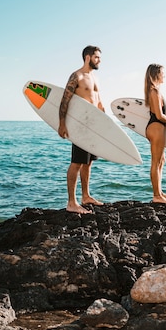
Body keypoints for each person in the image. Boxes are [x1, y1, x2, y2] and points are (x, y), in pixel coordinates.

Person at [58, 46, 105, 214]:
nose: (99, 60)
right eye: (97, 57)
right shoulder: (76, 76)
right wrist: (62, 123)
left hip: (93, 125)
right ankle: (71, 202)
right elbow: (65, 100)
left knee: (88, 161)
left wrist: (105, 120)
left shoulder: (95, 78)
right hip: (80, 125)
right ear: (87, 57)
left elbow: (98, 102)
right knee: (77, 162)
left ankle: (86, 196)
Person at [144, 63, 166, 204]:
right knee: (156, 162)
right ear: (156, 74)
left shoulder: (153, 90)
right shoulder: (155, 91)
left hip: (155, 128)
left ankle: (159, 191)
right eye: (162, 73)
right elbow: (159, 115)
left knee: (161, 160)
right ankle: (157, 196)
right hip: (156, 128)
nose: (164, 75)